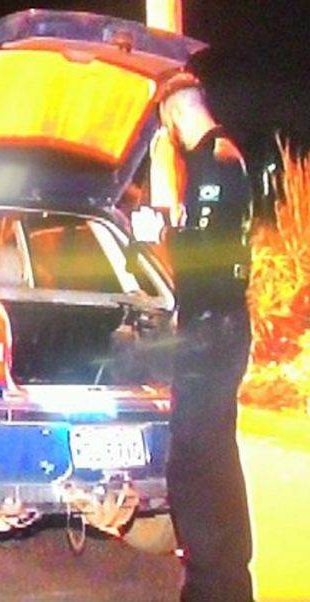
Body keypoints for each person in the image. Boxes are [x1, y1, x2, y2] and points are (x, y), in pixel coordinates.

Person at [158, 74, 254, 601]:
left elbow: (197, 261)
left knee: (193, 465)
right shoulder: (227, 155)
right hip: (225, 326)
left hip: (209, 330)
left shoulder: (211, 163)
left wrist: (167, 229)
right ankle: (230, 580)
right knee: (215, 455)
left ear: (175, 114)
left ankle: (210, 587)